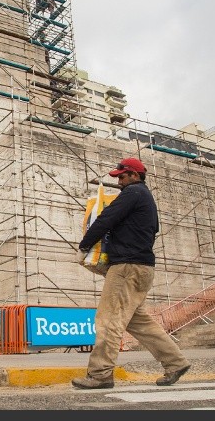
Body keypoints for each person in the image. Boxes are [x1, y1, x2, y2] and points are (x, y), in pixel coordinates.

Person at [72, 157, 191, 389]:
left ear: (135, 176)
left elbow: (106, 218)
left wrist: (85, 245)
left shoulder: (133, 193)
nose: (120, 182)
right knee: (139, 322)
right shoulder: (147, 200)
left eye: (122, 177)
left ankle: (100, 374)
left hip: (126, 268)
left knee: (108, 320)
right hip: (143, 268)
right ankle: (175, 362)